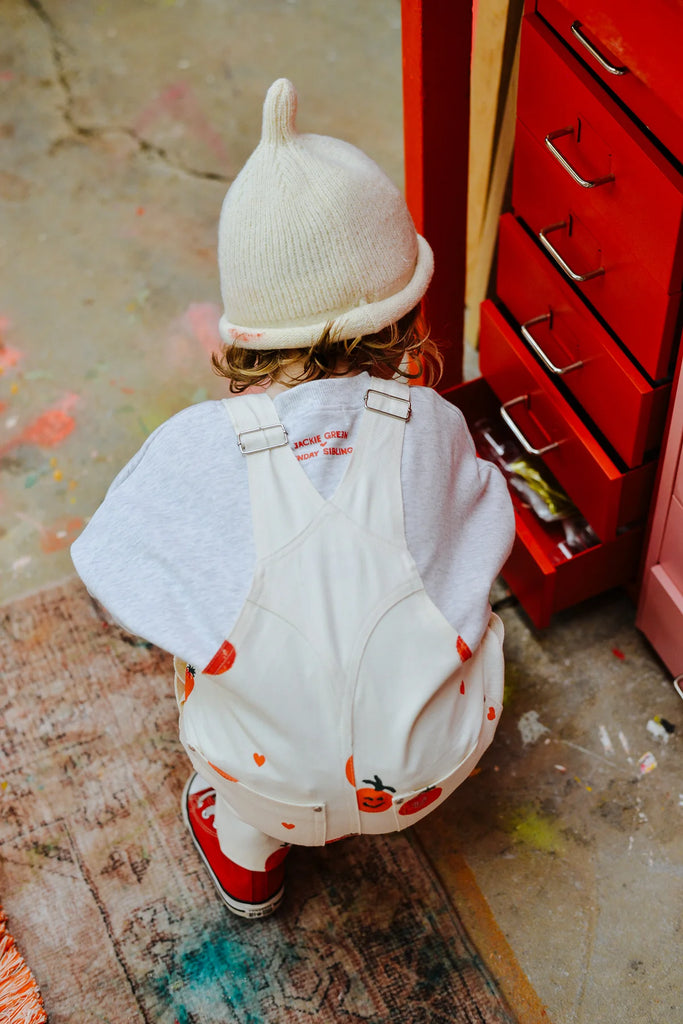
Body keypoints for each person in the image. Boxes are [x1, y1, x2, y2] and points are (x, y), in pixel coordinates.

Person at [71, 78, 515, 920]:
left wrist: (212, 624)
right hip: (427, 770)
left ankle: (247, 862)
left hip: (268, 780)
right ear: (404, 311)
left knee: (216, 644)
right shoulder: (429, 423)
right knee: (440, 594)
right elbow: (482, 527)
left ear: (244, 333)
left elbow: (111, 562)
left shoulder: (198, 448)